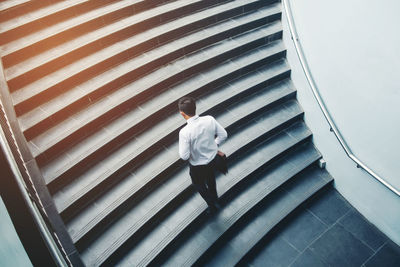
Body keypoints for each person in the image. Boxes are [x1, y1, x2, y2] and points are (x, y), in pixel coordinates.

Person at [178, 96, 228, 214]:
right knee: (211, 179)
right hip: (212, 160)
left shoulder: (184, 132)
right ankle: (215, 198)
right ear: (195, 108)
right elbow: (223, 135)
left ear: (182, 113)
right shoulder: (209, 119)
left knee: (199, 184)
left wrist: (196, 150)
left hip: (197, 166)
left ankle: (212, 204)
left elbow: (184, 156)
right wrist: (214, 145)